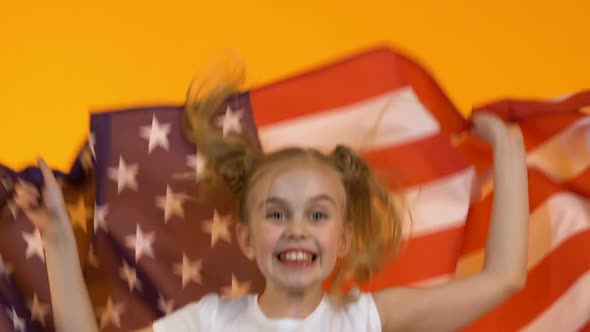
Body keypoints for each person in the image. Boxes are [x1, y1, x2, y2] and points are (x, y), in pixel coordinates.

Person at [13, 76, 529, 332]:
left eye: (318, 215)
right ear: (246, 237)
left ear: (344, 238)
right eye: (277, 214)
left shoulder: (365, 318)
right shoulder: (212, 321)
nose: (297, 230)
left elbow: (505, 278)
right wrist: (57, 237)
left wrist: (508, 150)